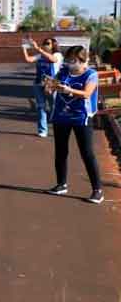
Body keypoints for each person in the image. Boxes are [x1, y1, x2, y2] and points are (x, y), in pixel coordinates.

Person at [45, 45, 103, 204]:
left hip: (81, 118)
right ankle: (61, 184)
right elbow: (50, 88)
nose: (71, 63)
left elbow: (87, 94)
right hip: (61, 116)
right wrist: (49, 87)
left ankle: (97, 190)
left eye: (74, 61)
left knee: (87, 153)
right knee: (61, 151)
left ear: (84, 60)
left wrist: (68, 90)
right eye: (69, 60)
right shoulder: (63, 71)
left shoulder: (91, 74)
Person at [22, 36, 62, 137]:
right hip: (38, 83)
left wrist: (38, 48)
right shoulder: (40, 55)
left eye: (48, 43)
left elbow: (52, 59)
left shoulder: (57, 54)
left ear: (54, 45)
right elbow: (29, 59)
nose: (45, 45)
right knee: (41, 107)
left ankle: (58, 128)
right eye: (44, 43)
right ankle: (42, 130)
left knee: (54, 106)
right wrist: (24, 49)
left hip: (51, 84)